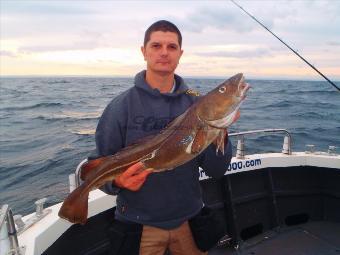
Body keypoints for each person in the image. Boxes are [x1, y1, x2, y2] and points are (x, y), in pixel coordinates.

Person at [92, 20, 233, 255]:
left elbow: (217, 169)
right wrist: (117, 182)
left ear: (180, 53)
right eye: (156, 46)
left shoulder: (197, 104)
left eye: (172, 47)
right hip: (138, 224)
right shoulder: (120, 106)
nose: (164, 53)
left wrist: (220, 129)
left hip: (190, 220)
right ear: (143, 51)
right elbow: (100, 163)